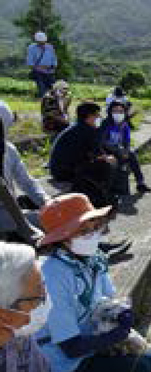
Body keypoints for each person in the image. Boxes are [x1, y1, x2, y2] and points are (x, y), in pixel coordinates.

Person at [34, 193, 151, 372]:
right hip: (63, 363)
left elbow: (108, 299)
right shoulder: (51, 276)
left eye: (95, 228)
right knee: (137, 368)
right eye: (83, 232)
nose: (93, 235)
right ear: (62, 239)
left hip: (89, 342)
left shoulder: (93, 260)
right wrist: (112, 337)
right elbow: (70, 346)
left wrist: (120, 314)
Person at [0, 241, 117, 372]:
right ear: (4, 315)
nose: (45, 302)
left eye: (44, 290)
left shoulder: (19, 336)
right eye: (37, 298)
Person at [49, 102, 118, 208]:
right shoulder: (86, 130)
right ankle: (97, 198)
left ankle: (96, 194)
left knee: (102, 163)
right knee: (105, 166)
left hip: (59, 168)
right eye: (97, 114)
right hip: (64, 171)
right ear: (90, 116)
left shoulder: (79, 126)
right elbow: (96, 153)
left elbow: (93, 151)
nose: (99, 117)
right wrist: (107, 158)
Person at [0, 100, 50, 237]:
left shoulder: (9, 149)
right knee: (48, 221)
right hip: (6, 213)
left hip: (10, 208)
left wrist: (47, 201)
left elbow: (26, 181)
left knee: (59, 212)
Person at [100, 101, 151, 194]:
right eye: (115, 111)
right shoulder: (105, 123)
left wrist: (126, 151)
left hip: (119, 150)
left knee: (132, 155)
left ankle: (140, 183)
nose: (118, 114)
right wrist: (118, 150)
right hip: (106, 151)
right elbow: (102, 142)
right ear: (110, 112)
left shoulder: (124, 125)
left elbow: (127, 141)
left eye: (121, 111)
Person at [27, 32, 57, 98]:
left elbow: (54, 58)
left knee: (53, 88)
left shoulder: (50, 47)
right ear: (36, 41)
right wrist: (39, 68)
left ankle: (52, 101)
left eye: (43, 42)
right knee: (42, 88)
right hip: (38, 72)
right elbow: (30, 62)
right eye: (40, 42)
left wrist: (53, 67)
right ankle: (43, 101)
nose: (42, 44)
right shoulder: (31, 48)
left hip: (50, 72)